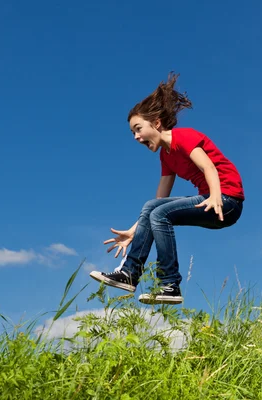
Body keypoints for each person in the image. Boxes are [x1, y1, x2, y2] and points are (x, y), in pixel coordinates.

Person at [89, 72, 245, 305]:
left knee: (160, 213)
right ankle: (130, 274)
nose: (136, 137)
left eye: (139, 129)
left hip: (226, 201)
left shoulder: (184, 137)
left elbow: (209, 168)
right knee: (154, 208)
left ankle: (169, 284)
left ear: (157, 124)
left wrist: (215, 196)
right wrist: (134, 231)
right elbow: (157, 201)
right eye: (133, 132)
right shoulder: (166, 156)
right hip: (211, 199)